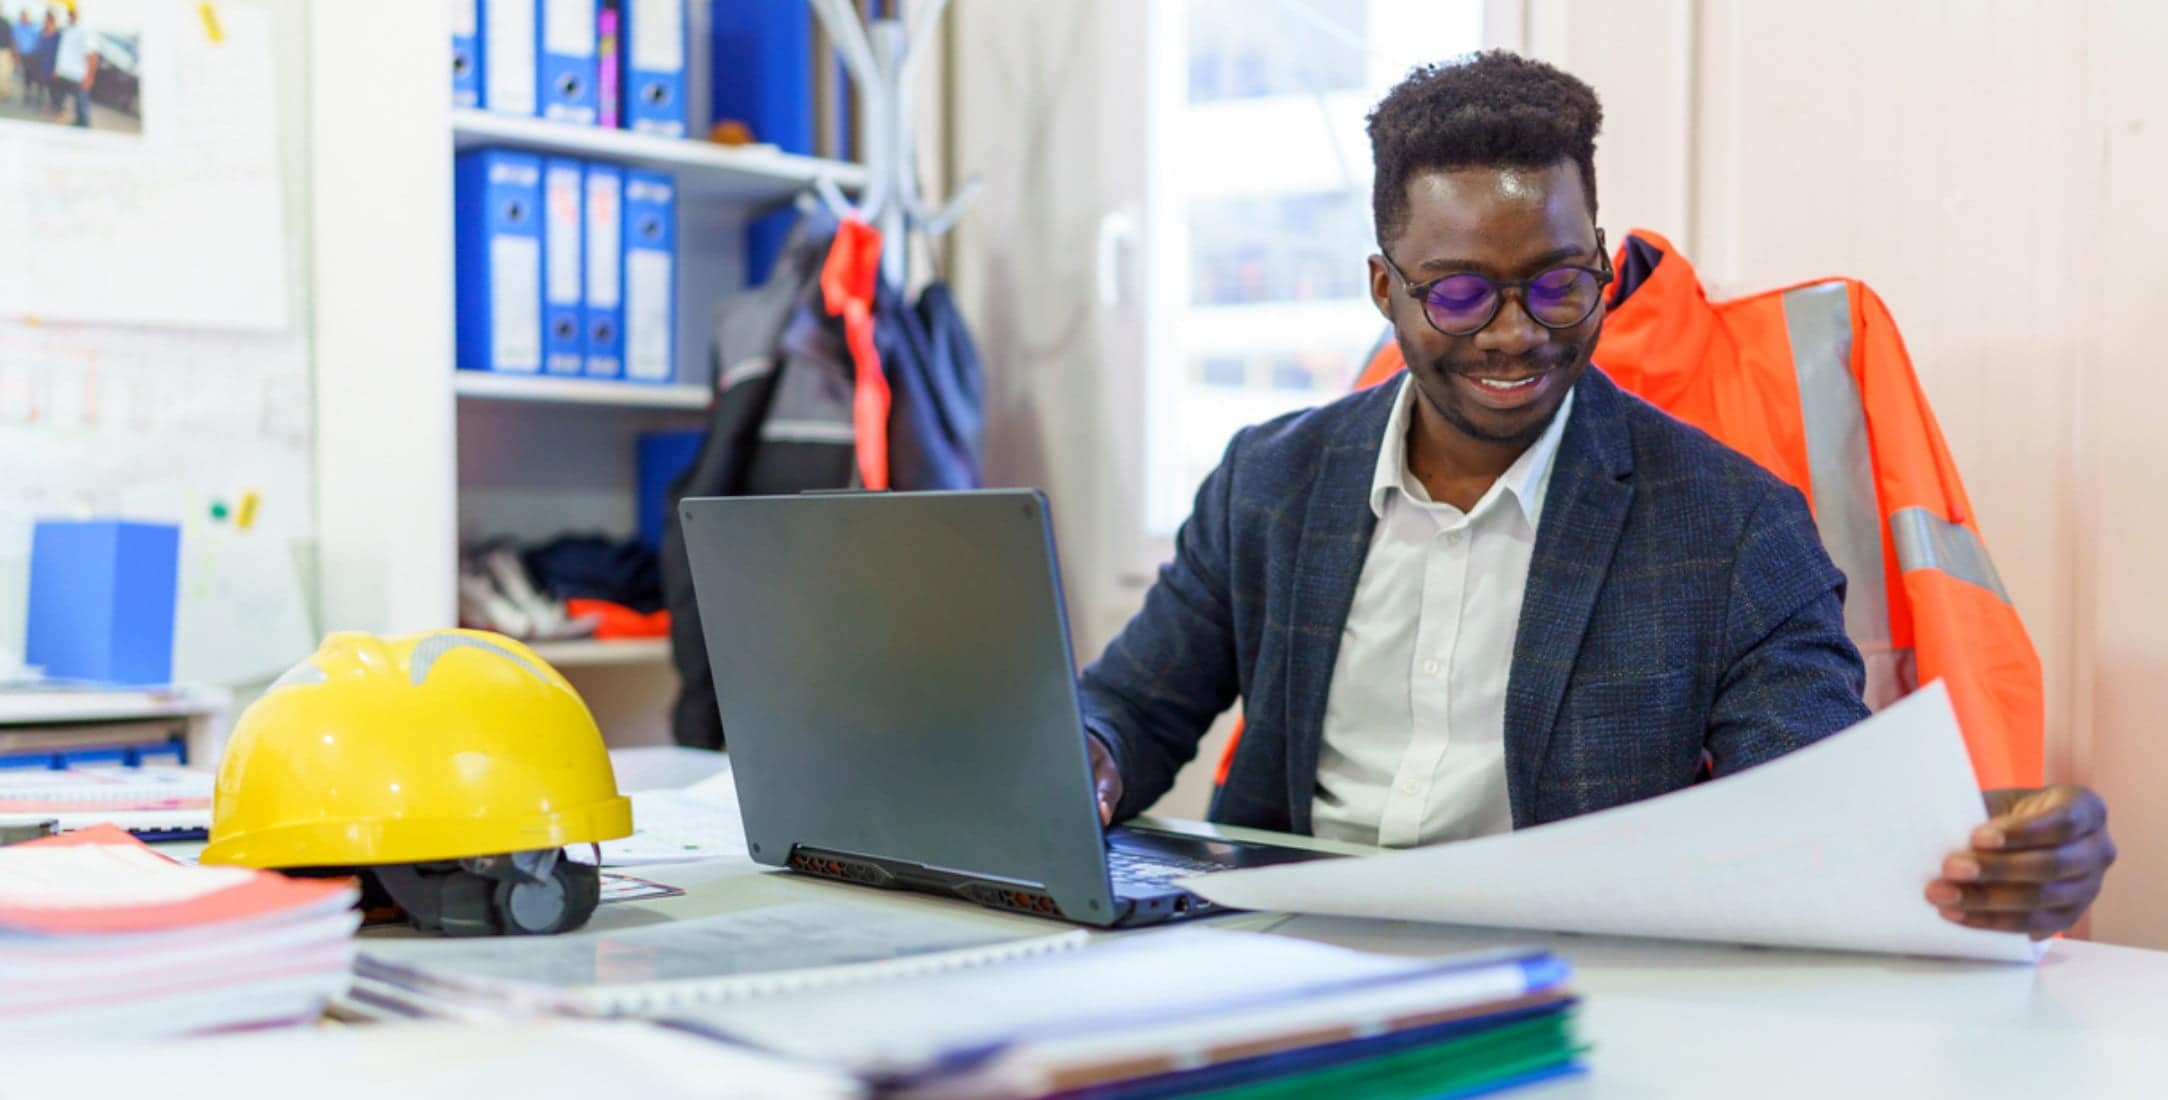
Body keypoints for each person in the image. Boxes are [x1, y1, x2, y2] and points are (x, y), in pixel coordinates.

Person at [1077, 51, 2115, 940]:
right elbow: (1131, 704)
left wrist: (1987, 839)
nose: (1514, 330)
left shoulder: (1731, 523)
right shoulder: (1269, 481)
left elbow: (1816, 805)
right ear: (1383, 287)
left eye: (1557, 281)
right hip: (1281, 965)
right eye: (1458, 291)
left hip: (1568, 987)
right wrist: (1087, 760)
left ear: (1599, 265)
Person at [48, 3, 92, 127]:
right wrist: (57, 68)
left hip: (78, 74)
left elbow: (92, 55)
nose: (71, 15)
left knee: (82, 106)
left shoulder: (85, 30)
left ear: (78, 14)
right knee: (60, 100)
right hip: (63, 72)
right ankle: (66, 120)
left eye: (73, 12)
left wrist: (89, 77)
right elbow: (61, 50)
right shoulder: (67, 29)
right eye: (69, 12)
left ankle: (84, 127)